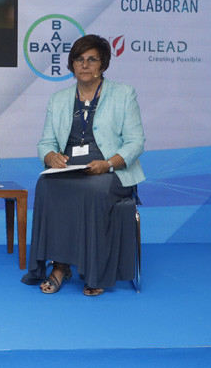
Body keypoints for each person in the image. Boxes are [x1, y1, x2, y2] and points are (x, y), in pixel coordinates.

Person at [21, 34, 145, 296]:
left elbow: (136, 142)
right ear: (71, 64)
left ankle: (93, 271)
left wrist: (109, 164)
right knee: (46, 184)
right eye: (79, 59)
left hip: (111, 172)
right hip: (69, 169)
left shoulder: (123, 94)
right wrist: (49, 156)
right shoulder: (58, 99)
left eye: (92, 59)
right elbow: (45, 142)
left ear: (103, 64)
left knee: (92, 191)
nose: (85, 65)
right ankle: (59, 265)